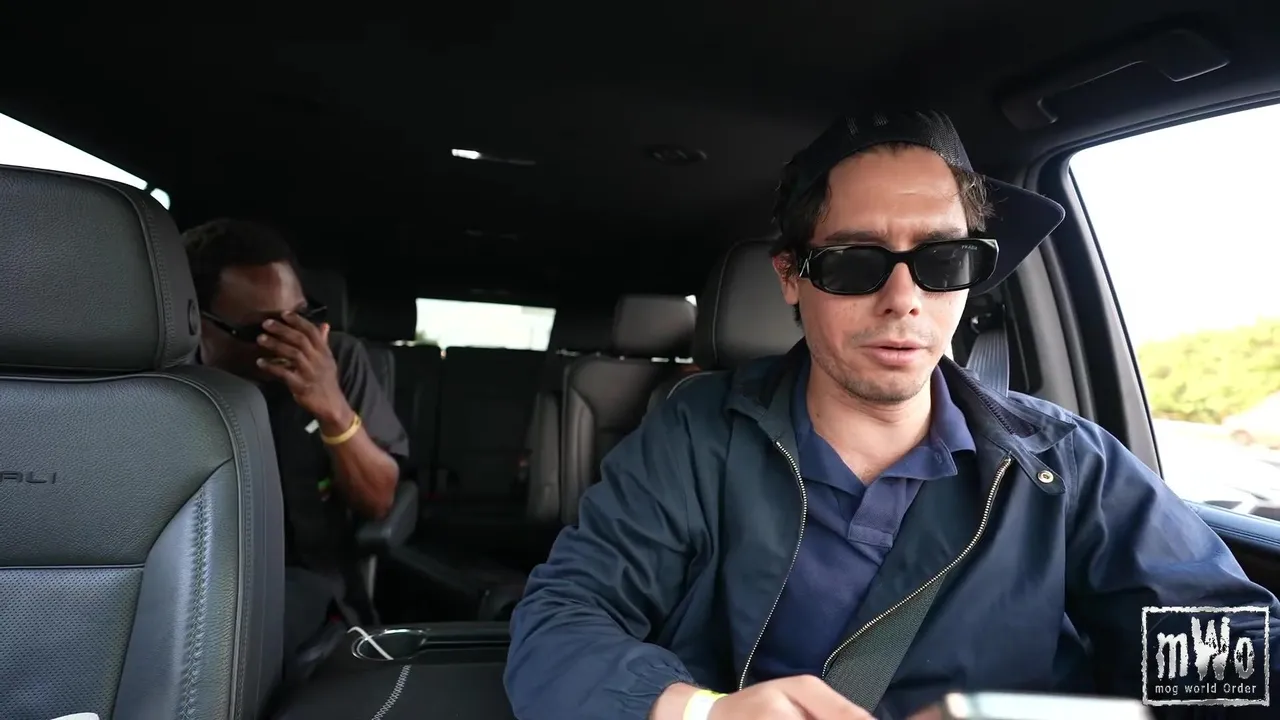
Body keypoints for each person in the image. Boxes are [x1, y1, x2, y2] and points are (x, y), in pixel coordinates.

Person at [503, 110, 1280, 720]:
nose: (904, 299)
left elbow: (1232, 651)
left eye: (943, 260)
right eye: (855, 262)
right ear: (792, 277)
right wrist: (704, 712)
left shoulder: (1067, 465)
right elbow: (564, 617)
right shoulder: (696, 432)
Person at [183, 218, 409, 661]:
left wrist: (332, 407)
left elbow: (379, 499)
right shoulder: (166, 379)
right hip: (195, 579)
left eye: (302, 318)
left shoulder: (338, 360)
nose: (293, 342)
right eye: (263, 329)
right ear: (198, 323)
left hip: (307, 580)